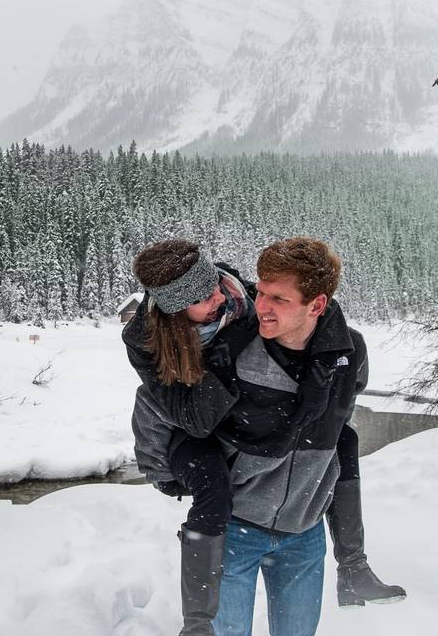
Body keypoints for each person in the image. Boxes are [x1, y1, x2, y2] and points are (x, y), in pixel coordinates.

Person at [123, 239, 405, 636]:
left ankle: (354, 566)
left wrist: (327, 367)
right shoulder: (205, 352)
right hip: (236, 525)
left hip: (303, 530)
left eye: (276, 297)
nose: (259, 306)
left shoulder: (340, 347)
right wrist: (163, 474)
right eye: (263, 293)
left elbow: (342, 416)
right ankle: (196, 623)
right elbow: (157, 409)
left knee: (345, 439)